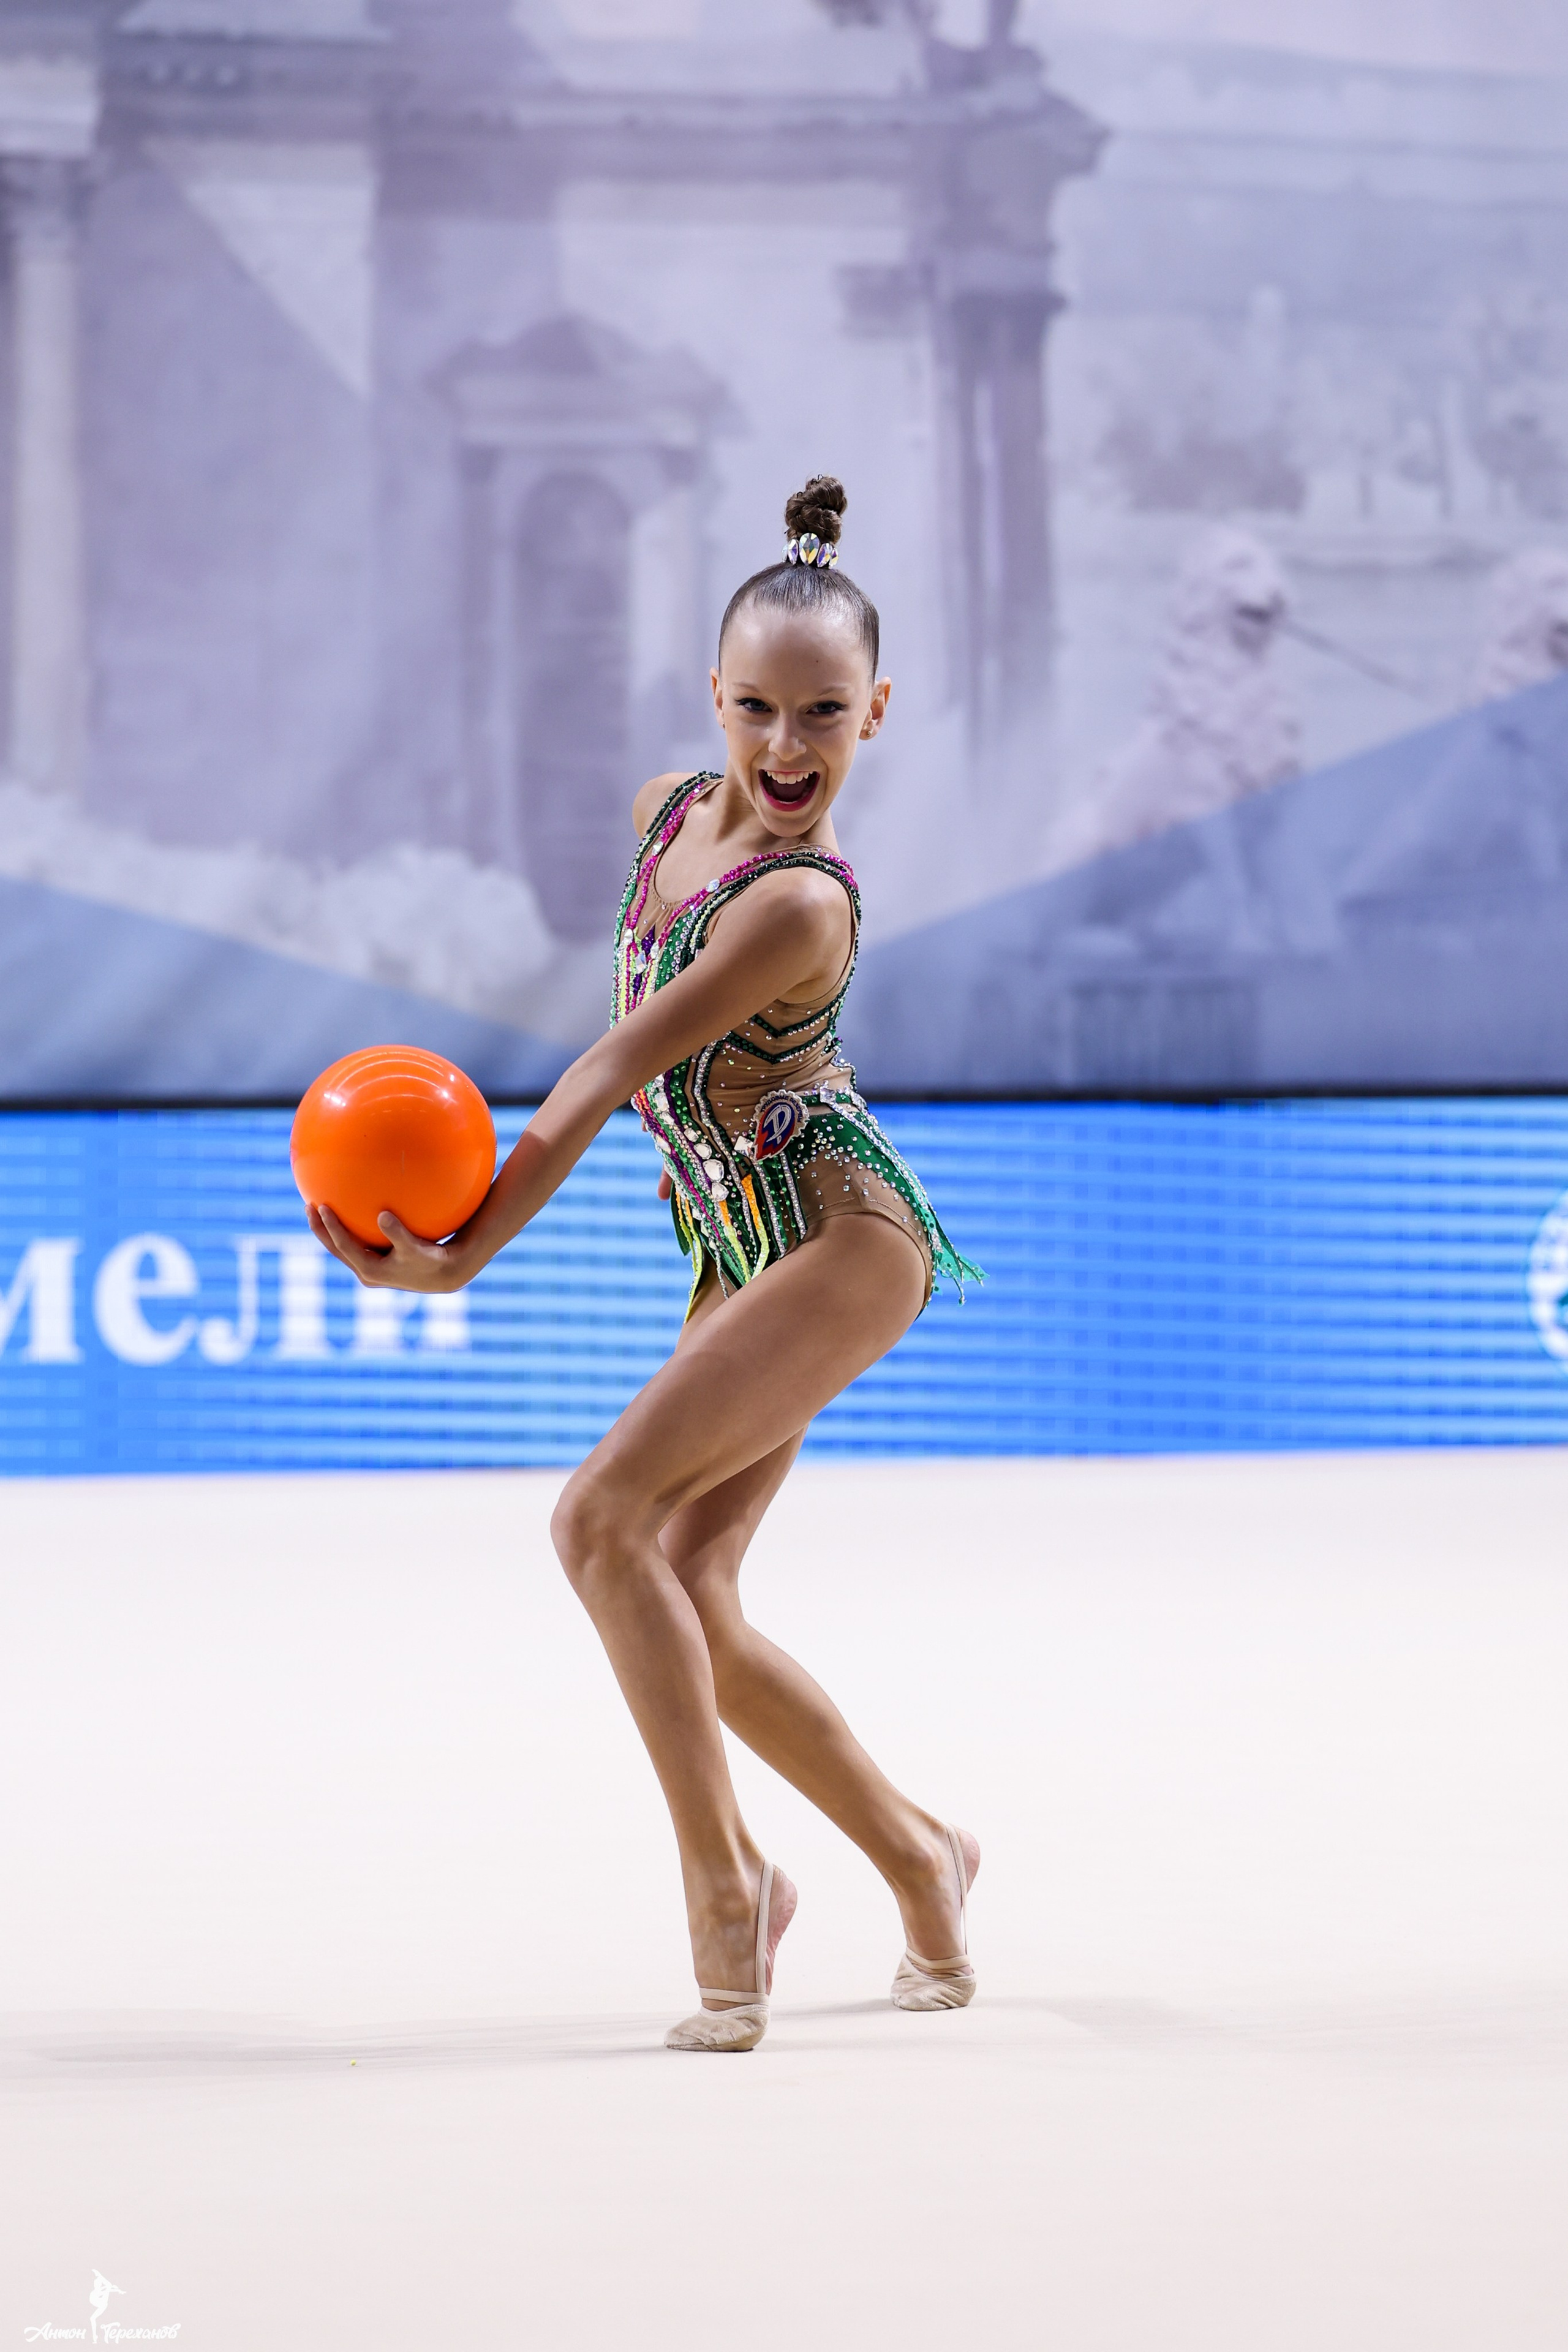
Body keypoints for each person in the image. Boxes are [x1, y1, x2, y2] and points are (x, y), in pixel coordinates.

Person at [310, 476, 982, 2053]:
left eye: (824, 713)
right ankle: (920, 1856)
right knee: (685, 1586)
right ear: (713, 694)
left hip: (835, 1237)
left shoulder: (797, 904)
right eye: (756, 707)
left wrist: (465, 1255)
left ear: (877, 710)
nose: (786, 748)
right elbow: (642, 941)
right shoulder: (670, 811)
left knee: (597, 1520)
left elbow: (612, 1067)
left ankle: (724, 1886)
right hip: (736, 1236)